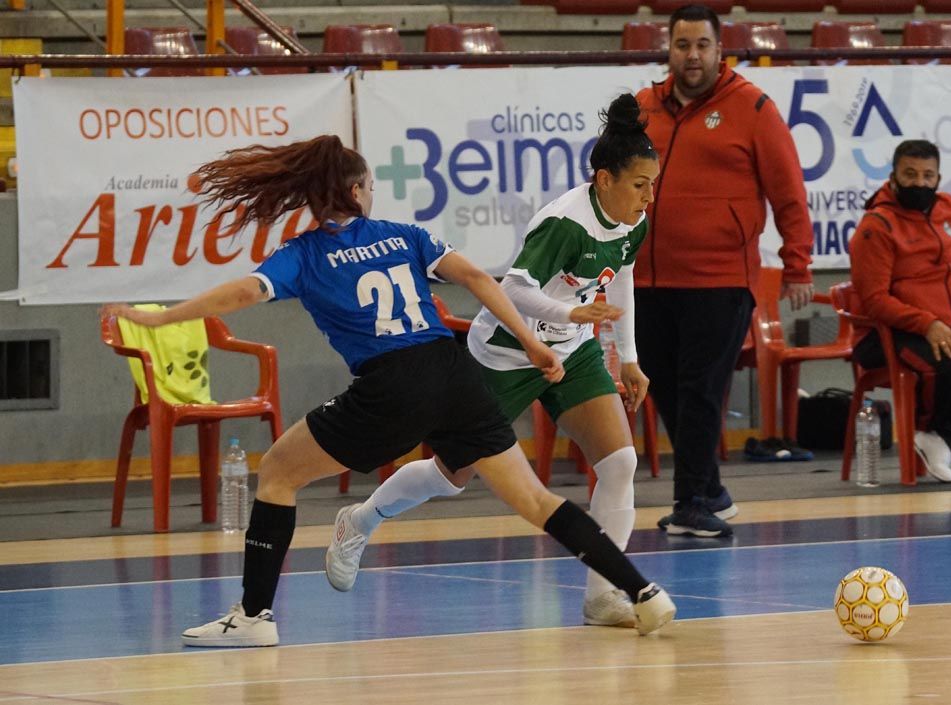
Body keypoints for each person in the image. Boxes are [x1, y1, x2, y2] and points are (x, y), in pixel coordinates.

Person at [102, 134, 677, 647]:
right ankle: (644, 591)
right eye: (370, 183)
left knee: (277, 471)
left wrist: (159, 319)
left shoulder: (301, 255)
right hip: (452, 373)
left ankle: (254, 616)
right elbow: (479, 278)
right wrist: (530, 341)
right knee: (534, 501)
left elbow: (243, 296)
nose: (373, 191)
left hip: (390, 386)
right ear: (355, 189)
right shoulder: (403, 234)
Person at [325, 93, 658, 629]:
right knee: (450, 474)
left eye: (653, 185)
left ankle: (603, 597)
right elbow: (515, 289)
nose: (648, 197)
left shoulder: (632, 222)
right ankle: (360, 520)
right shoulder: (564, 224)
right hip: (507, 354)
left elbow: (621, 276)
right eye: (640, 184)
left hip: (572, 354)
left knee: (619, 463)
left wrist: (630, 357)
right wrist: (569, 313)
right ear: (604, 179)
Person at [634, 4, 814, 538]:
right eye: (682, 45)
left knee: (700, 389)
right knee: (663, 385)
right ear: (669, 48)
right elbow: (612, 182)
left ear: (719, 50)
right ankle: (709, 486)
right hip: (646, 280)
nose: (692, 56)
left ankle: (691, 501)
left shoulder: (754, 108)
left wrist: (798, 265)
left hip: (720, 281)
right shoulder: (642, 108)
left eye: (702, 46)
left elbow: (789, 194)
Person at [849, 139, 951, 483]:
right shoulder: (877, 226)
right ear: (893, 177)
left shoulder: (949, 207)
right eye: (910, 174)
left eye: (927, 175)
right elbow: (874, 300)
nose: (919, 182)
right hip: (888, 331)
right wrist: (927, 323)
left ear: (938, 178)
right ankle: (929, 432)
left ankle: (944, 439)